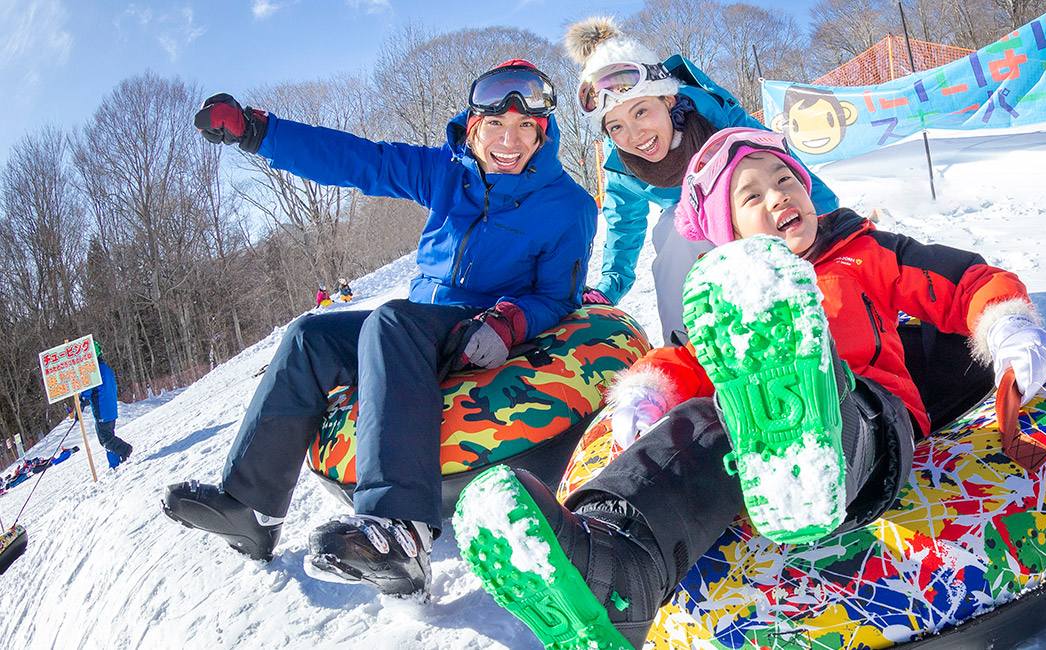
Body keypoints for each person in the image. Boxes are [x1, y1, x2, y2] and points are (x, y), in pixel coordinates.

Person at [454, 128, 1046, 649]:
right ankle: (612, 565)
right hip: (748, 426)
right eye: (752, 195)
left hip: (870, 416)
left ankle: (811, 452)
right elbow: (686, 359)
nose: (779, 196)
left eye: (785, 180)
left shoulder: (861, 254)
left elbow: (960, 280)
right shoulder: (725, 309)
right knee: (702, 426)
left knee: (837, 402)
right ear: (728, 235)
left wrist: (1005, 323)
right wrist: (647, 396)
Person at [161, 59, 597, 596]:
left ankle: (401, 532)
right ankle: (251, 508)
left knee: (392, 322)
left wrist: (509, 321)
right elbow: (358, 161)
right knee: (307, 336)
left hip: (481, 328)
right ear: (473, 127)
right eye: (495, 128)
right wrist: (259, 131)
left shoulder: (568, 205)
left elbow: (558, 297)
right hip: (419, 322)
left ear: (542, 131)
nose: (509, 142)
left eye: (524, 129)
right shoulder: (446, 171)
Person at [564, 17, 839, 341]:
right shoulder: (623, 163)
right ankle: (685, 346)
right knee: (673, 227)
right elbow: (623, 229)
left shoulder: (716, 118)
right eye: (616, 127)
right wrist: (607, 291)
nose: (635, 135)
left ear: (667, 100)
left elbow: (785, 168)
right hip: (693, 231)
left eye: (640, 112)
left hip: (748, 215)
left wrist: (834, 223)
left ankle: (805, 317)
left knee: (751, 206)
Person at [80, 342, 133, 469]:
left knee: (105, 440)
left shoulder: (94, 370)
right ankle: (114, 464)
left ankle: (125, 449)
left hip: (102, 410)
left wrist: (81, 400)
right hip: (110, 409)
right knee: (109, 436)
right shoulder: (105, 368)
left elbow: (87, 391)